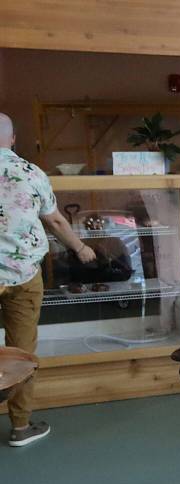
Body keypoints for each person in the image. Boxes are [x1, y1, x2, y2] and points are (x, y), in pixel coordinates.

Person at [0, 113, 96, 447]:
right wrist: (81, 248)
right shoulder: (30, 172)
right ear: (13, 139)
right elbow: (55, 220)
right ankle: (21, 427)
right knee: (21, 351)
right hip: (23, 273)